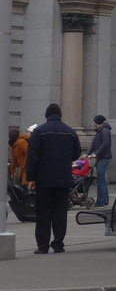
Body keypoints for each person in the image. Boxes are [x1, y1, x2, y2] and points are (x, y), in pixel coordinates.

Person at [24, 103, 82, 254]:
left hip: (43, 179)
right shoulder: (70, 132)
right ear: (60, 115)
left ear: (46, 115)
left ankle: (42, 246)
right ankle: (58, 244)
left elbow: (32, 156)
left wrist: (31, 178)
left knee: (43, 213)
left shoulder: (39, 131)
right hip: (63, 178)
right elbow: (76, 154)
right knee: (60, 212)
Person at [87, 114, 113, 206]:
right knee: (101, 180)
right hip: (101, 157)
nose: (93, 123)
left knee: (100, 180)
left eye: (94, 121)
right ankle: (105, 200)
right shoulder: (99, 131)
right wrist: (88, 153)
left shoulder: (104, 130)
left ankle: (101, 201)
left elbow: (105, 144)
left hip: (103, 157)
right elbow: (94, 143)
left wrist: (96, 154)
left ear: (97, 122)